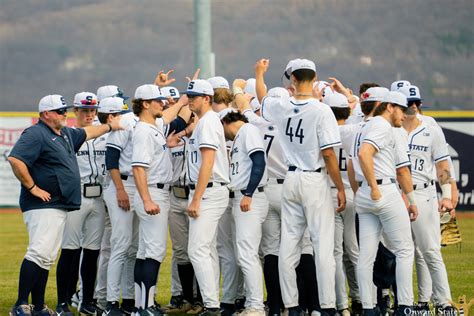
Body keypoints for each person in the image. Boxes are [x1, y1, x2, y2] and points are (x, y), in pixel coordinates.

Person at [8, 94, 121, 315]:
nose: (64, 114)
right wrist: (33, 188)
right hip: (42, 205)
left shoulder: (65, 133)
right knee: (38, 253)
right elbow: (16, 159)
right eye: (60, 111)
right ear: (46, 114)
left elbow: (89, 132)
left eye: (64, 110)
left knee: (47, 256)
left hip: (59, 203)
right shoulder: (36, 133)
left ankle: (39, 306)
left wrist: (109, 126)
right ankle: (20, 304)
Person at [256, 58, 346, 316]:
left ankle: (292, 306)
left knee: (288, 247)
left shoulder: (282, 105)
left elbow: (263, 100)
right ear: (315, 78)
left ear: (292, 80)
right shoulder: (322, 110)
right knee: (322, 246)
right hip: (314, 180)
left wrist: (260, 74)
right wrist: (339, 187)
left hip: (291, 179)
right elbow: (329, 154)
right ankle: (327, 306)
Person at [349, 91, 417, 315]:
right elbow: (364, 154)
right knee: (405, 250)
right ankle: (405, 307)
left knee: (365, 256)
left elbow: (352, 165)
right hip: (383, 190)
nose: (404, 115)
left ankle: (369, 308)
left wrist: (365, 191)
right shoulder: (382, 126)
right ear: (389, 107)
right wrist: (376, 188)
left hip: (364, 194)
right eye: (402, 109)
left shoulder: (360, 126)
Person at [399, 85, 456, 315]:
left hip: (423, 192)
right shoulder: (391, 129)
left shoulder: (431, 129)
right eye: (408, 102)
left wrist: (448, 196)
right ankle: (407, 304)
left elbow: (443, 167)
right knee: (401, 253)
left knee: (429, 251)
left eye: (416, 102)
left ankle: (442, 302)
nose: (413, 106)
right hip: (396, 195)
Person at [55, 91, 107, 315]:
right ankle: (63, 301)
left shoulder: (103, 133)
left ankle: (87, 300)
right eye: (84, 110)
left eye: (92, 110)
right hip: (77, 197)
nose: (89, 114)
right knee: (70, 250)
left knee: (93, 251)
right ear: (75, 111)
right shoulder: (67, 135)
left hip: (99, 197)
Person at [185, 79, 230, 316]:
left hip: (209, 191)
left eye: (195, 95)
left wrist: (196, 198)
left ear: (207, 98)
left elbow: (208, 162)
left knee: (197, 250)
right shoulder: (204, 122)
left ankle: (212, 306)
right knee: (208, 250)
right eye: (189, 95)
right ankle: (213, 303)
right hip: (208, 190)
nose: (190, 99)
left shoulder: (209, 122)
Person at [221, 111, 268, 316]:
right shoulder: (242, 134)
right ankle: (250, 303)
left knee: (247, 255)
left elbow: (259, 161)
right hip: (242, 196)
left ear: (225, 122)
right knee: (244, 255)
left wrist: (248, 193)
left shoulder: (248, 130)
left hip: (250, 196)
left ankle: (256, 306)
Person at [323, 92, 360, 316]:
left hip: (330, 193)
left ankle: (341, 304)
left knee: (335, 252)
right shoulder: (356, 130)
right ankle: (363, 299)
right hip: (352, 193)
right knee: (354, 250)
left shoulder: (324, 132)